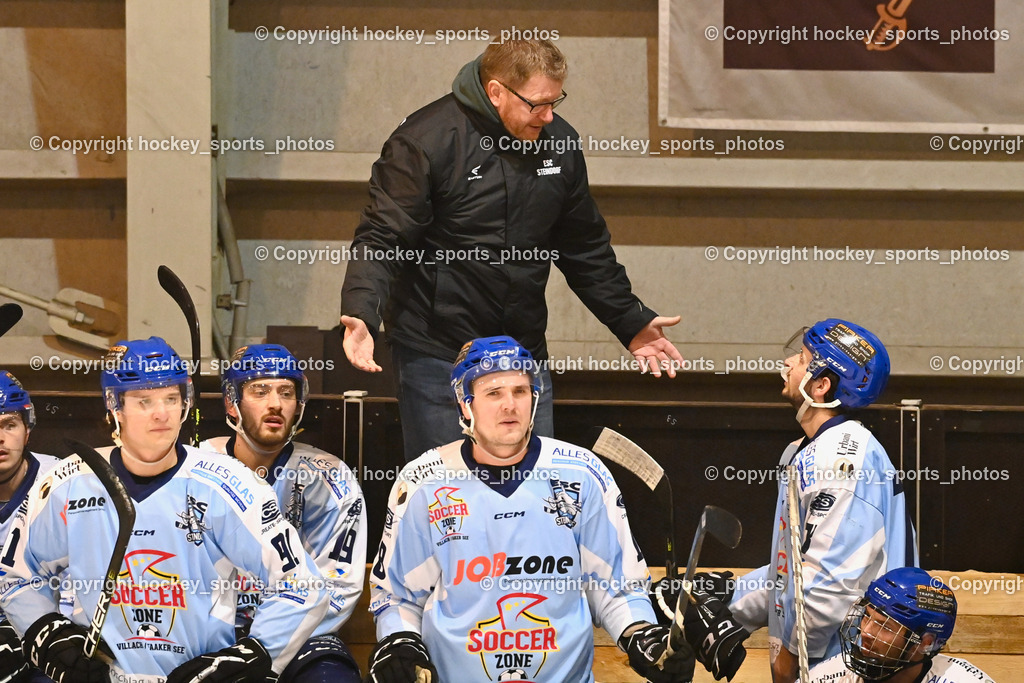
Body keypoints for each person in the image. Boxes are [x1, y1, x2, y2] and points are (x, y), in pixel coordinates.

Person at [340, 39, 684, 460]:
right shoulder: (425, 141)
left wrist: (630, 321)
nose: (549, 115)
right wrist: (361, 310)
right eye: (537, 104)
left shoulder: (558, 143)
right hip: (437, 353)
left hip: (521, 352)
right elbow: (383, 235)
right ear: (496, 91)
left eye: (555, 101)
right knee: (447, 498)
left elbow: (584, 247)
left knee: (533, 496)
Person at [364, 335, 695, 683]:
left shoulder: (581, 473)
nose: (510, 405)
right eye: (494, 393)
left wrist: (642, 635)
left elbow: (616, 587)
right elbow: (397, 596)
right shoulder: (423, 482)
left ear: (534, 399)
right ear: (465, 404)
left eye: (520, 391)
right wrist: (399, 640)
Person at [0, 337, 329, 683]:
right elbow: (16, 572)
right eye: (144, 401)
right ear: (115, 407)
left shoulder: (229, 483)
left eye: (171, 398)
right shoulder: (70, 480)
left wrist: (255, 655)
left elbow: (302, 583)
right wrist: (44, 630)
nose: (161, 413)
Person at [655, 319, 916, 682]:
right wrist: (729, 597)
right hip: (825, 659)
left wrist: (790, 657)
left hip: (845, 665)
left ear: (821, 385)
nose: (790, 363)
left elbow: (831, 582)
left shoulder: (842, 461)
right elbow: (794, 570)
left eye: (803, 358)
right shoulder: (805, 451)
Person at [199, 343, 366, 682]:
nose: (275, 403)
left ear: (298, 404)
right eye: (260, 390)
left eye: (286, 392)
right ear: (232, 403)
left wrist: (265, 648)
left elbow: (339, 587)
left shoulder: (329, 477)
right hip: (212, 635)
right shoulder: (196, 469)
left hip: (301, 636)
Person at [809, 567, 995, 682]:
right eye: (866, 617)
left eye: (884, 627)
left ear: (926, 643)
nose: (865, 632)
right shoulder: (827, 676)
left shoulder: (963, 679)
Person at [0, 372, 59, 683]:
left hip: (51, 644)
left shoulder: (65, 483)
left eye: (8, 425)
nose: (0, 438)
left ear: (27, 430)